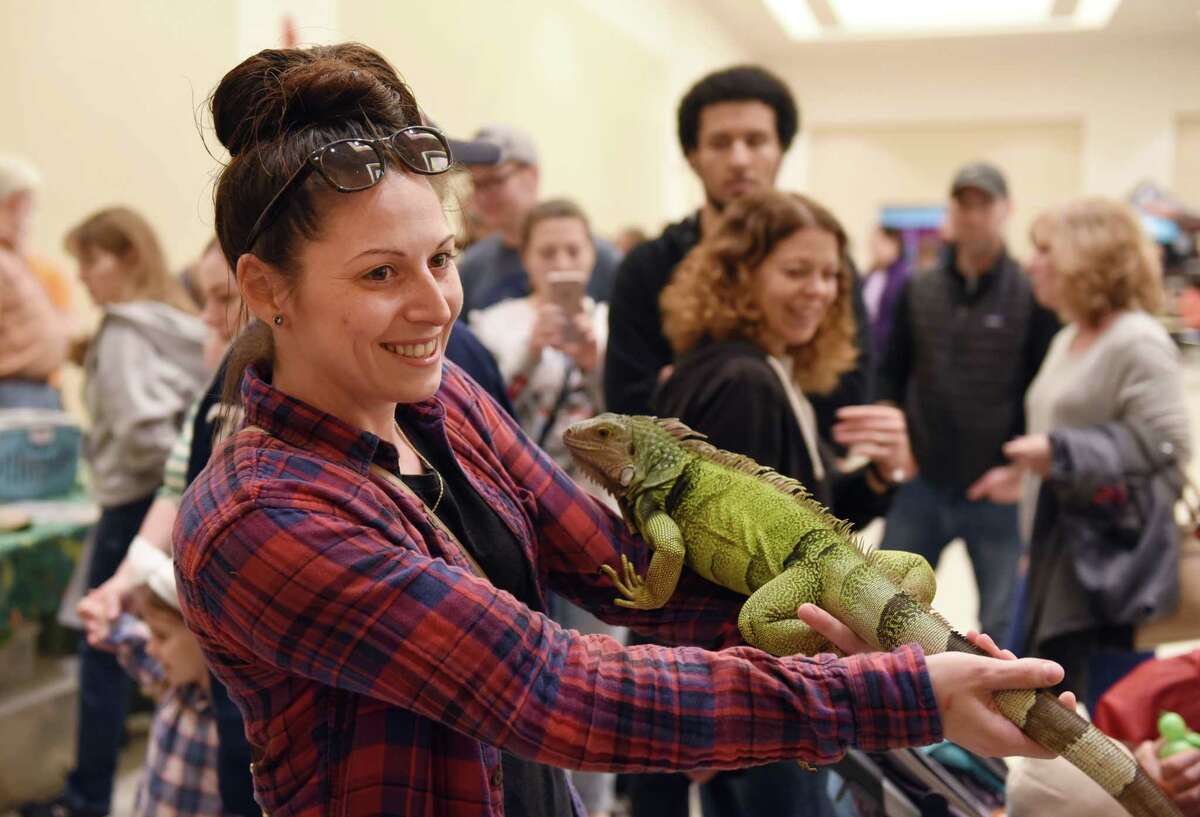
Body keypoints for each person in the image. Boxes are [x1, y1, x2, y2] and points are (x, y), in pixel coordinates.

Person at [173, 42, 1076, 817]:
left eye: (441, 257)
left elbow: (612, 563)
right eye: (379, 273)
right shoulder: (260, 515)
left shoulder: (441, 403)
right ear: (264, 288)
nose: (435, 302)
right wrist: (897, 692)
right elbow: (556, 689)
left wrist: (861, 632)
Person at [651, 190, 912, 817]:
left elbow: (796, 526)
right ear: (741, 275)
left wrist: (881, 474)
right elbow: (731, 559)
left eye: (829, 275)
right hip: (756, 686)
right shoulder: (745, 382)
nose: (819, 290)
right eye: (797, 271)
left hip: (749, 678)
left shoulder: (762, 370)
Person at [19, 208, 207, 817]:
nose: (82, 277)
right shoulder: (179, 321)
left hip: (135, 502)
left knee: (103, 655)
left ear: (127, 256)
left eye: (89, 261)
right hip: (169, 500)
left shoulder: (124, 330)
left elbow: (138, 430)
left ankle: (88, 797)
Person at [71, 239, 259, 817]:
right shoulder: (222, 380)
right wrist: (125, 580)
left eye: (218, 298)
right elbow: (178, 482)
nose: (203, 316)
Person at [981, 199, 1190, 699]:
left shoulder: (1135, 340)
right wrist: (1029, 475)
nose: (1032, 262)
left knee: (1098, 714)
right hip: (1058, 557)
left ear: (1088, 257)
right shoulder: (1070, 336)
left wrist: (1061, 453)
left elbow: (1171, 446)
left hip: (1108, 573)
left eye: (1046, 250)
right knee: (1043, 703)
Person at [603, 64, 873, 434]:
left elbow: (847, 393)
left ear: (781, 150)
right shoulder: (648, 266)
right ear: (692, 156)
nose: (740, 160)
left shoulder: (824, 263)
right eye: (720, 143)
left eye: (756, 141)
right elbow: (626, 407)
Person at [471, 197, 622, 815]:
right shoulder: (494, 323)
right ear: (526, 258)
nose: (561, 263)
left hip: (600, 523)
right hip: (519, 519)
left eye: (573, 251)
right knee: (533, 679)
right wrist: (529, 355)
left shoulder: (614, 324)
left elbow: (635, 430)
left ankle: (596, 803)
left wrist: (598, 362)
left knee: (604, 678)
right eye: (548, 252)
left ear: (590, 257)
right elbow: (483, 421)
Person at [877, 162, 1059, 645]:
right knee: (879, 609)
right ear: (951, 211)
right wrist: (896, 447)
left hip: (997, 491)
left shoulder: (1031, 292)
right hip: (921, 485)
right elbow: (889, 374)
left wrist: (1019, 474)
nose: (974, 214)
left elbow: (1044, 393)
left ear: (1006, 210)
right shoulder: (919, 287)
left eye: (985, 203)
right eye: (964, 203)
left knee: (1003, 631)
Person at [100, 556, 232, 817]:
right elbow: (132, 641)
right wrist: (103, 612)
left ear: (205, 636)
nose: (151, 647)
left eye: (161, 635)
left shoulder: (236, 728)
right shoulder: (175, 681)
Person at [458, 124, 622, 312]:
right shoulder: (473, 266)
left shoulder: (601, 258)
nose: (483, 195)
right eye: (476, 184)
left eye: (495, 181)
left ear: (532, 176)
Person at [0, 155, 75, 409]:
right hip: (14, 390)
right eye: (25, 205)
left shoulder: (17, 259)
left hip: (34, 388)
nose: (29, 216)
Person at [860, 225, 910, 363]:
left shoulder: (906, 277)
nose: (874, 249)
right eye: (873, 244)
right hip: (868, 346)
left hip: (891, 352)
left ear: (895, 244)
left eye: (879, 243)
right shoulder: (870, 275)